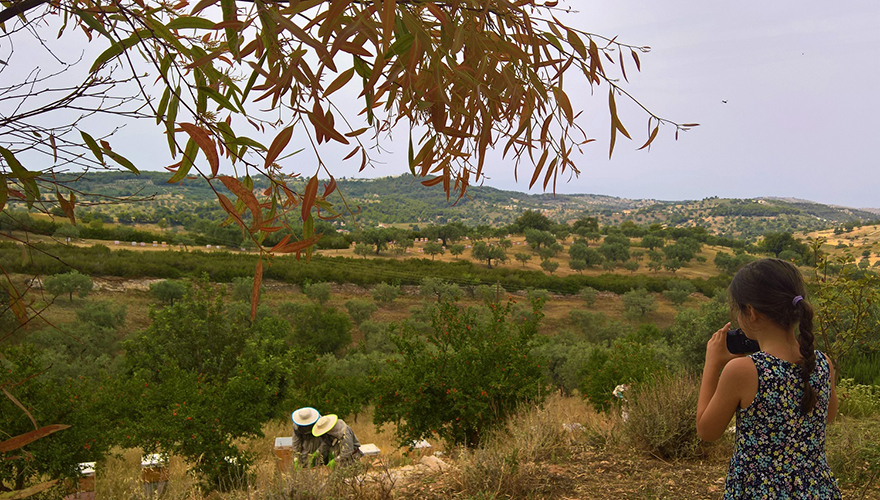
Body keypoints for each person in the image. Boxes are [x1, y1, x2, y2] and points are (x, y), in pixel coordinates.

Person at [697, 258, 840, 499]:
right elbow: (829, 416)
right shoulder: (823, 362)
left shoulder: (743, 371)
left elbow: (707, 431)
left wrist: (713, 363)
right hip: (817, 490)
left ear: (750, 312)